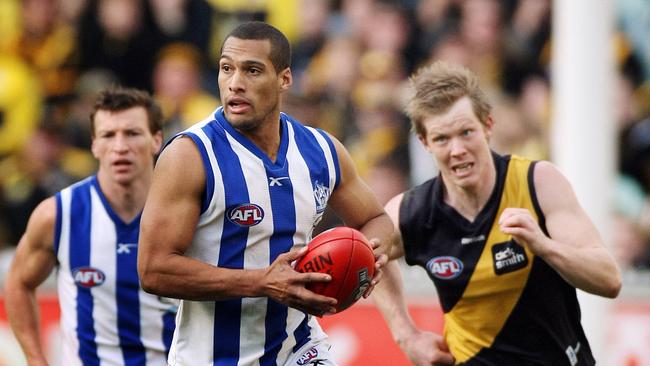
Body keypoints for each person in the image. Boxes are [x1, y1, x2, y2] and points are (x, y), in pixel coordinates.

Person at [137, 21, 392, 366]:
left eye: (252, 70)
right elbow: (153, 270)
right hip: (212, 357)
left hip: (300, 349)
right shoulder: (191, 155)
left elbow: (375, 219)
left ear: (284, 79)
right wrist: (261, 283)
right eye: (227, 68)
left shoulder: (321, 150)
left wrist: (369, 259)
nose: (235, 83)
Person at [372, 61, 622, 365]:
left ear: (488, 126)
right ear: (425, 142)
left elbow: (608, 279)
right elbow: (370, 257)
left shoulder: (538, 183)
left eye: (466, 132)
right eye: (441, 139)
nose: (457, 149)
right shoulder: (411, 211)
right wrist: (406, 335)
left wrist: (545, 247)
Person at [4, 87, 176, 365]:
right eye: (108, 135)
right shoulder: (59, 214)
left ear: (156, 140)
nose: (120, 146)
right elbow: (18, 283)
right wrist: (35, 359)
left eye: (132, 133)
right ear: (94, 144)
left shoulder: (188, 211)